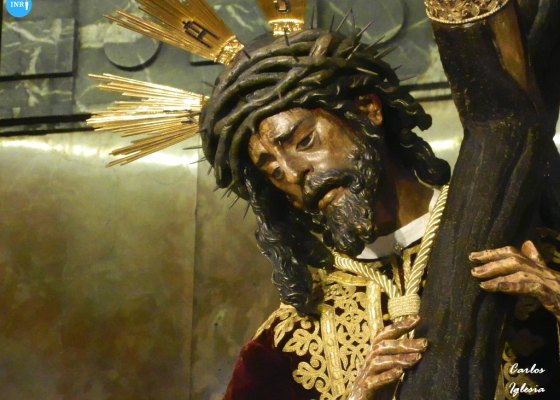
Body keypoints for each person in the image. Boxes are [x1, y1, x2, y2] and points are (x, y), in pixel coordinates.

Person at [199, 26, 560, 400]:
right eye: (274, 172)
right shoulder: (284, 347)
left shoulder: (528, 250)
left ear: (366, 108)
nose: (294, 174)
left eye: (304, 141)